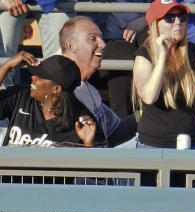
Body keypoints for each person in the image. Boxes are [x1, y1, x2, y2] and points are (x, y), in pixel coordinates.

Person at [132, 0, 195, 148]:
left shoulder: (193, 51)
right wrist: (162, 56)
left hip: (192, 143)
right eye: (170, 18)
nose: (178, 22)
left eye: (182, 17)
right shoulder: (144, 55)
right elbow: (149, 96)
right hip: (154, 146)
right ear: (155, 25)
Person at [0, 50, 97, 146]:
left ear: (57, 89)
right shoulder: (21, 95)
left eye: (40, 76)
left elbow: (96, 175)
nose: (33, 77)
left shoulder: (80, 120)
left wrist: (88, 144)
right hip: (6, 178)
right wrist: (7, 66)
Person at [60, 15, 139, 145]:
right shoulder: (61, 90)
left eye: (101, 38)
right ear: (71, 46)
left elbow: (116, 132)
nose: (103, 44)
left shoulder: (89, 90)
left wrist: (145, 112)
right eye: (93, 39)